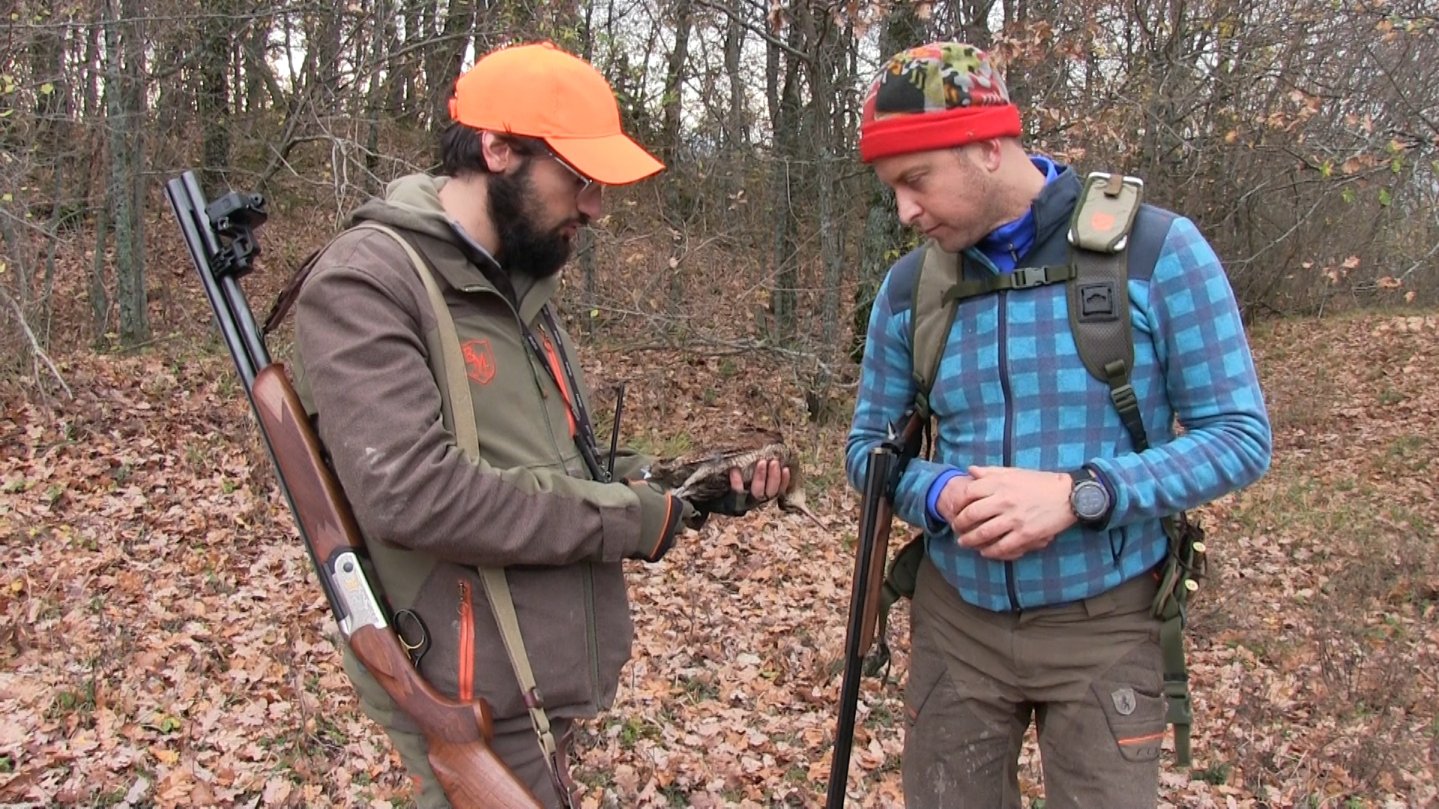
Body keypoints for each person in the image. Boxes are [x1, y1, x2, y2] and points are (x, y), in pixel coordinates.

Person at [291, 41, 788, 808]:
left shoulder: (518, 286)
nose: (595, 206)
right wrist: (625, 520)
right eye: (579, 179)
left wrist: (686, 487)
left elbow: (556, 465)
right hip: (466, 685)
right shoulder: (369, 281)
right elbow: (416, 494)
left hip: (537, 685)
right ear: (497, 149)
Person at [845, 41, 1272, 808]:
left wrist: (1079, 492)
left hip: (1104, 620)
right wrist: (937, 492)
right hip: (956, 622)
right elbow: (866, 453)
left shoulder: (1156, 251)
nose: (905, 211)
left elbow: (1238, 436)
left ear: (986, 145)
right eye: (891, 190)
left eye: (915, 181)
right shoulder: (910, 289)